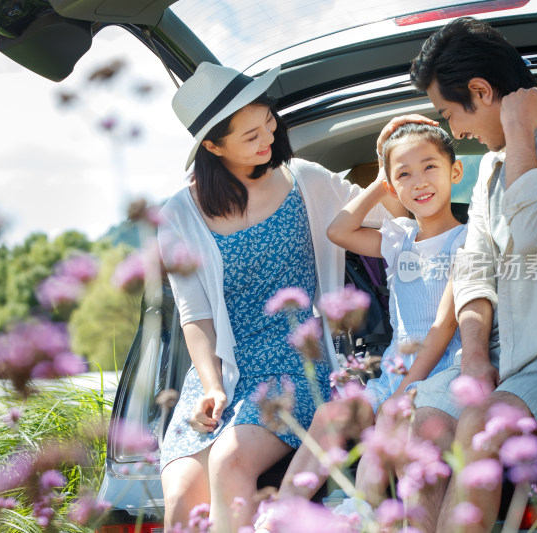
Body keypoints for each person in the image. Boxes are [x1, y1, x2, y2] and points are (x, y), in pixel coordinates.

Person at [156, 62, 404, 532]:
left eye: (267, 120)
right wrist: (210, 385)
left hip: (298, 366)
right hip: (224, 373)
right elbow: (195, 315)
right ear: (213, 146)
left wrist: (389, 159)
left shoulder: (306, 180)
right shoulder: (177, 216)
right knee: (181, 503)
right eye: (249, 135)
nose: (267, 137)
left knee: (230, 462)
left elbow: (397, 219)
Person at [400, 16, 537, 532]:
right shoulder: (493, 170)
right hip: (509, 362)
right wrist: (474, 359)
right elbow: (474, 270)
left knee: (481, 422)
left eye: (450, 113)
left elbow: (535, 227)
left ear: (481, 91)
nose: (455, 132)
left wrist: (519, 128)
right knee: (425, 425)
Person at [264, 119, 468, 514]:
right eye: (404, 175)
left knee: (390, 426)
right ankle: (281, 513)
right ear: (393, 186)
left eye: (430, 167)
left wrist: (403, 389)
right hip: (397, 365)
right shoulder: (399, 237)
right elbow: (339, 231)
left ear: (455, 171)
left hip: (443, 368)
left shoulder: (466, 240)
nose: (419, 182)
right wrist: (379, 178)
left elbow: (445, 327)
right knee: (330, 413)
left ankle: (361, 509)